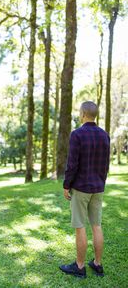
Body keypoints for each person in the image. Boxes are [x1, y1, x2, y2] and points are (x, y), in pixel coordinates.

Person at [59, 101, 110, 279]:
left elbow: (72, 164)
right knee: (96, 225)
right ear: (95, 115)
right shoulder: (105, 135)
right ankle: (97, 264)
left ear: (82, 114)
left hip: (81, 188)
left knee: (80, 227)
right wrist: (101, 182)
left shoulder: (77, 134)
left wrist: (66, 185)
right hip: (98, 187)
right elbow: (106, 164)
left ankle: (79, 267)